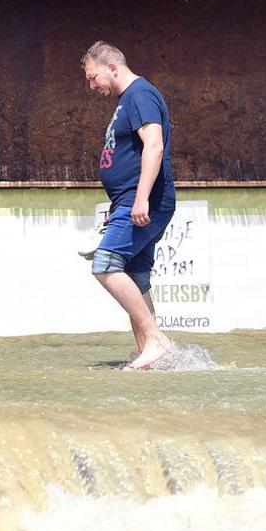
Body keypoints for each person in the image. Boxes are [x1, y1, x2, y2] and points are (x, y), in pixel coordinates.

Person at [81, 41, 176, 370]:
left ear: (112, 67)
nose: (91, 85)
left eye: (93, 77)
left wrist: (139, 198)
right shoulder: (129, 100)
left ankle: (155, 341)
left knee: (105, 265)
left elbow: (154, 145)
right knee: (135, 275)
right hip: (131, 200)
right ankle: (148, 355)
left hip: (144, 200)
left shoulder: (140, 94)